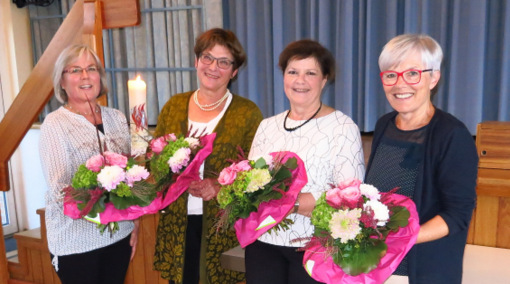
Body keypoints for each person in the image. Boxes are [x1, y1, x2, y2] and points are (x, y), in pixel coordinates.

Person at [245, 39, 365, 284]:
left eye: (310, 73)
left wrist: (290, 202)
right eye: (293, 72)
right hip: (263, 245)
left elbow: (350, 197)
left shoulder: (342, 127)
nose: (300, 80)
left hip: (314, 248)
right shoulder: (267, 126)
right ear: (283, 77)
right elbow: (250, 181)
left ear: (324, 80)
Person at [153, 28, 263, 284]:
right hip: (177, 225)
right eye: (208, 58)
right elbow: (155, 158)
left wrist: (219, 185)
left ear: (234, 71)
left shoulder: (247, 113)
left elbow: (257, 173)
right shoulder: (174, 105)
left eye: (224, 62)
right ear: (196, 61)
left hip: (222, 227)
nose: (214, 67)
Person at [365, 34, 478, 284]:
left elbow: (457, 214)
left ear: (433, 77)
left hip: (423, 270)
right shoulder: (383, 124)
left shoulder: (452, 135)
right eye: (391, 75)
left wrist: (399, 238)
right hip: (376, 266)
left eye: (412, 73)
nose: (400, 84)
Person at [39, 44, 139, 284]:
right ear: (62, 81)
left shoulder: (117, 117)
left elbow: (132, 176)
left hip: (119, 235)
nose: (85, 76)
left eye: (91, 68)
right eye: (74, 70)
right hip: (76, 241)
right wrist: (103, 211)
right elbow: (59, 189)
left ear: (99, 77)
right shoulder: (55, 124)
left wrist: (134, 222)